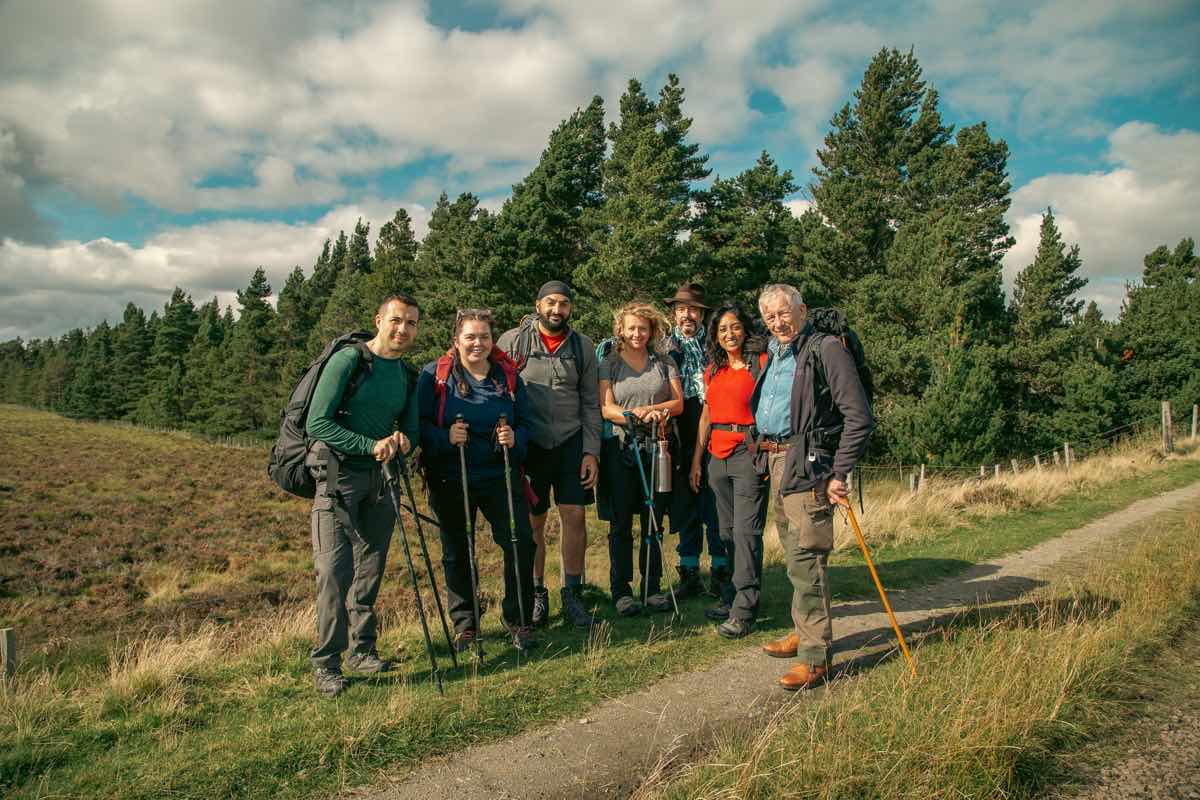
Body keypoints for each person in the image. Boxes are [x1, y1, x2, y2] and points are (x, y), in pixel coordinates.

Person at [752, 284, 874, 690]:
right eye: (770, 317)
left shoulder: (826, 349)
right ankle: (803, 632)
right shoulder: (776, 352)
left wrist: (839, 473)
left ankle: (816, 656)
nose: (778, 322)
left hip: (809, 465)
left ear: (802, 310)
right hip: (778, 461)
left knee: (807, 560)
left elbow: (858, 415)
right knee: (792, 557)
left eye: (784, 313)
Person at [304, 294, 421, 698]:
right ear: (379, 320)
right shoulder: (349, 361)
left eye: (410, 323)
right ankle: (326, 663)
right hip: (338, 476)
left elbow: (413, 427)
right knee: (334, 571)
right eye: (396, 320)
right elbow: (317, 421)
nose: (402, 330)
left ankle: (362, 649)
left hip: (382, 479)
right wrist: (369, 444)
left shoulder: (408, 376)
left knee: (370, 567)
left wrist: (404, 440)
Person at [418, 308, 538, 652]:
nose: (477, 343)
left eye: (484, 336)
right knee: (457, 552)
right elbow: (420, 426)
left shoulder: (509, 377)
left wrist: (515, 438)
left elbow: (527, 424)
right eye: (470, 337)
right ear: (456, 341)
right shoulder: (434, 377)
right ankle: (466, 626)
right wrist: (445, 436)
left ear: (492, 340)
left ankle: (518, 619)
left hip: (500, 474)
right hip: (451, 476)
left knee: (520, 542)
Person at [496, 280, 601, 630]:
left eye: (564, 304)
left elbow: (590, 402)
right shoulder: (513, 342)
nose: (557, 310)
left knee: (575, 517)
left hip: (571, 442)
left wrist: (591, 452)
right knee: (534, 521)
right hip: (531, 444)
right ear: (538, 304)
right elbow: (498, 390)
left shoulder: (583, 346)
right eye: (551, 303)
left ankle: (573, 592)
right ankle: (537, 591)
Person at [598, 301, 684, 615]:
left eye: (643, 329)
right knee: (621, 523)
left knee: (653, 521)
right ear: (621, 329)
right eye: (631, 328)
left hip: (657, 447)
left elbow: (678, 403)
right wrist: (633, 415)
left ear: (651, 331)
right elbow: (606, 408)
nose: (637, 334)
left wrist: (656, 410)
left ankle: (652, 588)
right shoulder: (609, 363)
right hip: (621, 450)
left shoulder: (664, 362)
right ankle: (621, 591)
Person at [689, 302, 768, 638]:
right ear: (715, 336)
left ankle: (744, 609)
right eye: (722, 329)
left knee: (746, 531)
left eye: (735, 327)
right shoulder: (713, 369)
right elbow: (706, 416)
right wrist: (696, 461)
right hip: (715, 456)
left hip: (747, 450)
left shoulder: (761, 363)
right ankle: (733, 596)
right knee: (725, 531)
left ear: (745, 329)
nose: (730, 334)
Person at [663, 283, 727, 600]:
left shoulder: (717, 346)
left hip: (714, 429)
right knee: (686, 507)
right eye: (682, 309)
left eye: (694, 310)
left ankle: (720, 571)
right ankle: (689, 573)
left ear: (703, 314)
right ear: (674, 313)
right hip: (678, 431)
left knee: (714, 505)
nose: (687, 315)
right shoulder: (663, 349)